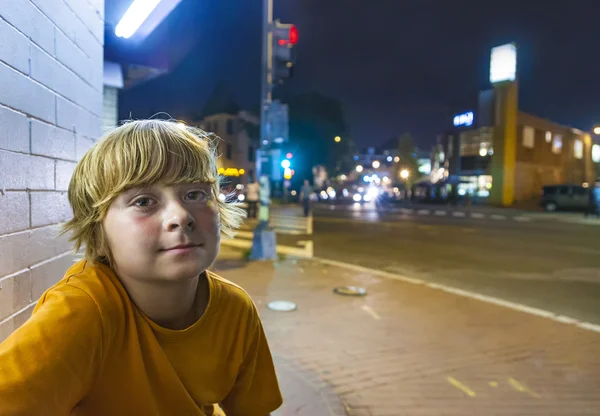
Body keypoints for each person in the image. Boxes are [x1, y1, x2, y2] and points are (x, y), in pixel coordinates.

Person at [0, 120, 282, 415]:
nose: (181, 216)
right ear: (97, 227)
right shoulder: (83, 312)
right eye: (144, 201)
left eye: (195, 194)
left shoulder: (235, 310)